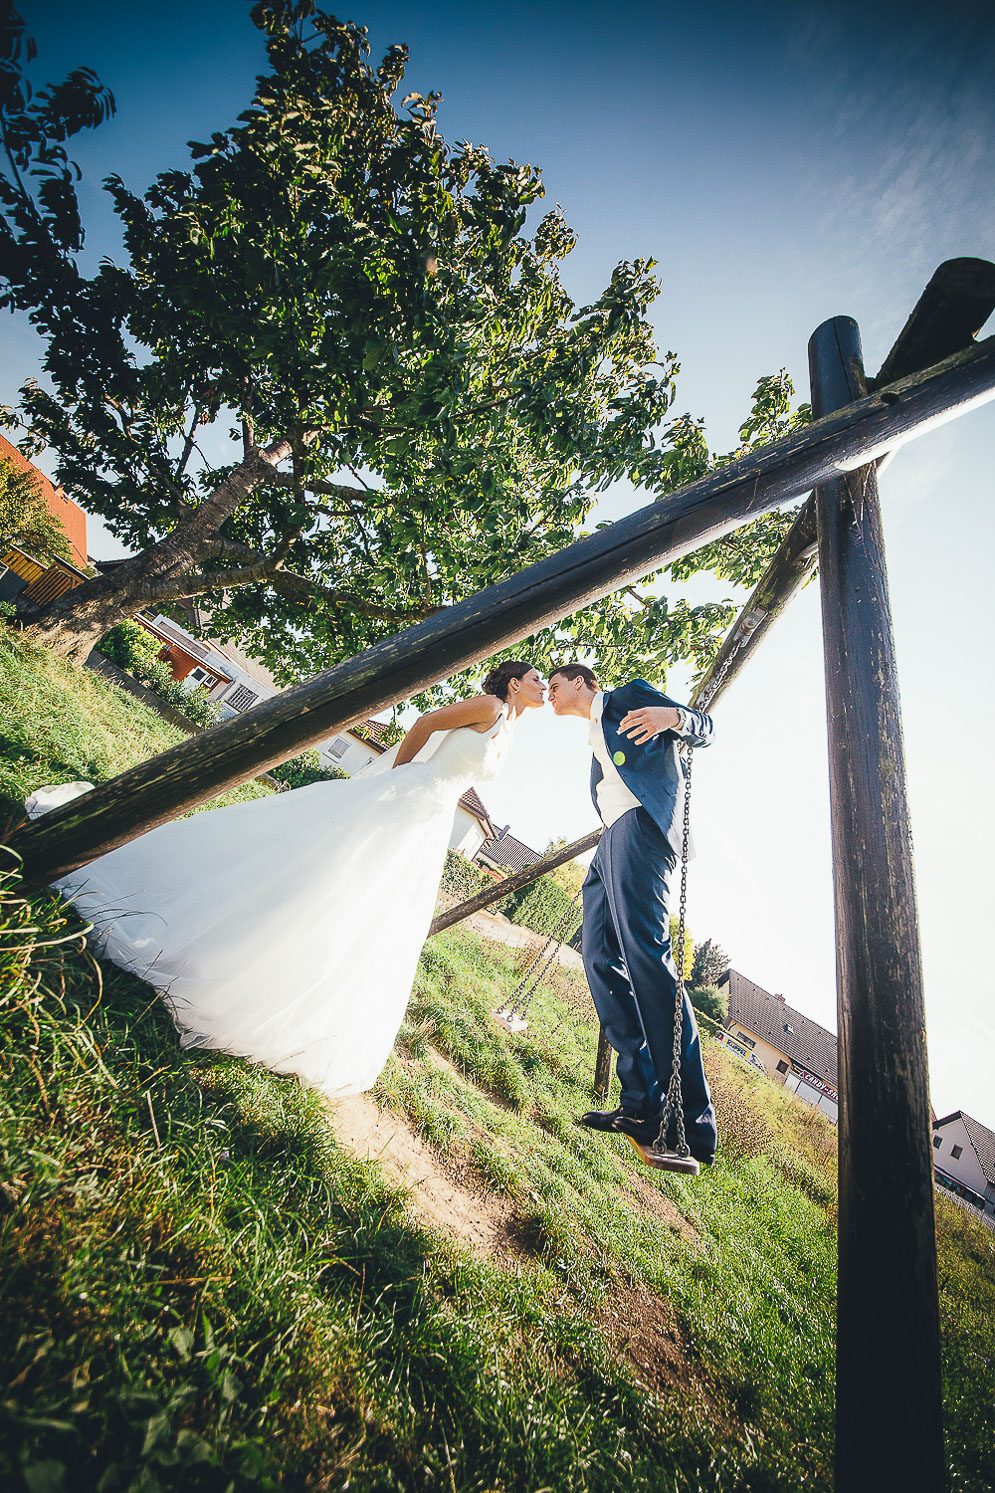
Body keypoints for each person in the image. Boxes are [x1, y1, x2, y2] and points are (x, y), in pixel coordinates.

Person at [25, 661, 546, 1098]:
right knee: (316, 858)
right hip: (407, 793)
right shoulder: (492, 708)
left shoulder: (514, 731)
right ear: (513, 684)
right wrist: (399, 774)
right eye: (539, 679)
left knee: (359, 895)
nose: (544, 687)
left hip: (428, 819)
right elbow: (426, 723)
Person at [547, 664, 717, 1165]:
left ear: (581, 681)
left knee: (648, 960)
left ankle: (690, 1123)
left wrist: (674, 717)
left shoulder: (628, 697)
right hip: (612, 838)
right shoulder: (592, 738)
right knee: (599, 958)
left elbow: (705, 728)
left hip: (641, 830)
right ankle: (642, 1104)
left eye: (554, 686)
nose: (551, 695)